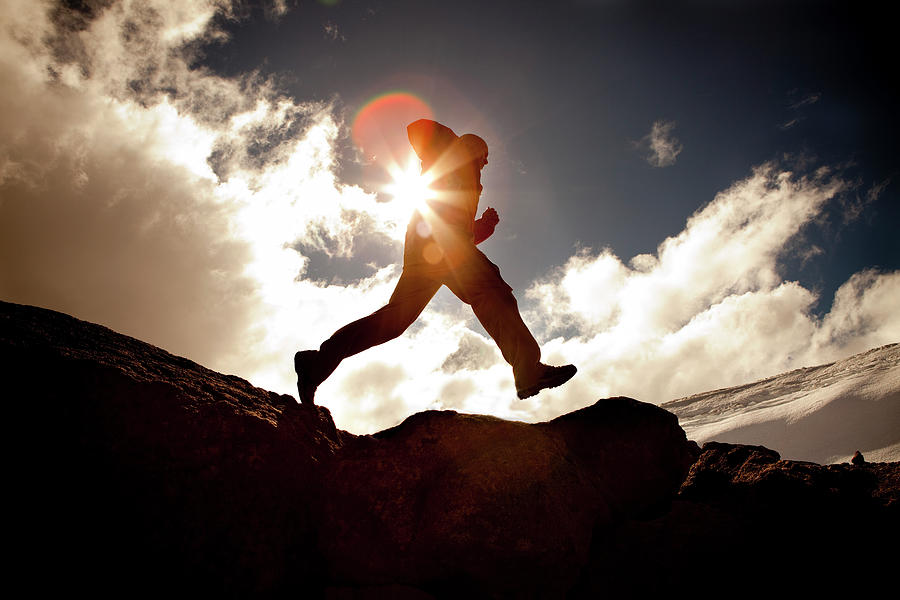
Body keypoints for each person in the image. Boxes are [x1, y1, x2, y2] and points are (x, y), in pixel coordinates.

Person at [294, 119, 576, 404]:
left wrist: (484, 226)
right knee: (492, 291)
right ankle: (529, 371)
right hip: (442, 248)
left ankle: (315, 365)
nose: (486, 163)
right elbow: (418, 130)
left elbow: (457, 228)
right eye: (484, 155)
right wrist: (453, 143)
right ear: (473, 148)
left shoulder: (465, 178)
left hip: (430, 255)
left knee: (393, 322)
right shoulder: (449, 155)